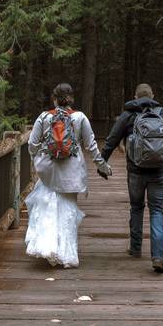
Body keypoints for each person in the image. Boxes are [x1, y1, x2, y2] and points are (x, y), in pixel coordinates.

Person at [25, 83, 112, 268]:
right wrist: (102, 166)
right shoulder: (80, 118)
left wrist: (37, 159)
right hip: (71, 172)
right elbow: (91, 146)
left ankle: (48, 248)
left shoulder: (44, 117)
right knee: (68, 213)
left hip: (48, 170)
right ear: (71, 98)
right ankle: (68, 255)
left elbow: (32, 144)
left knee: (49, 208)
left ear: (54, 99)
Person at [101, 83, 163, 273]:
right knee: (157, 211)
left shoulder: (128, 115)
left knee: (136, 207)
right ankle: (158, 256)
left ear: (135, 96)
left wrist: (102, 164)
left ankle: (135, 248)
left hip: (135, 172)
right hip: (160, 172)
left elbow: (111, 139)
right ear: (152, 95)